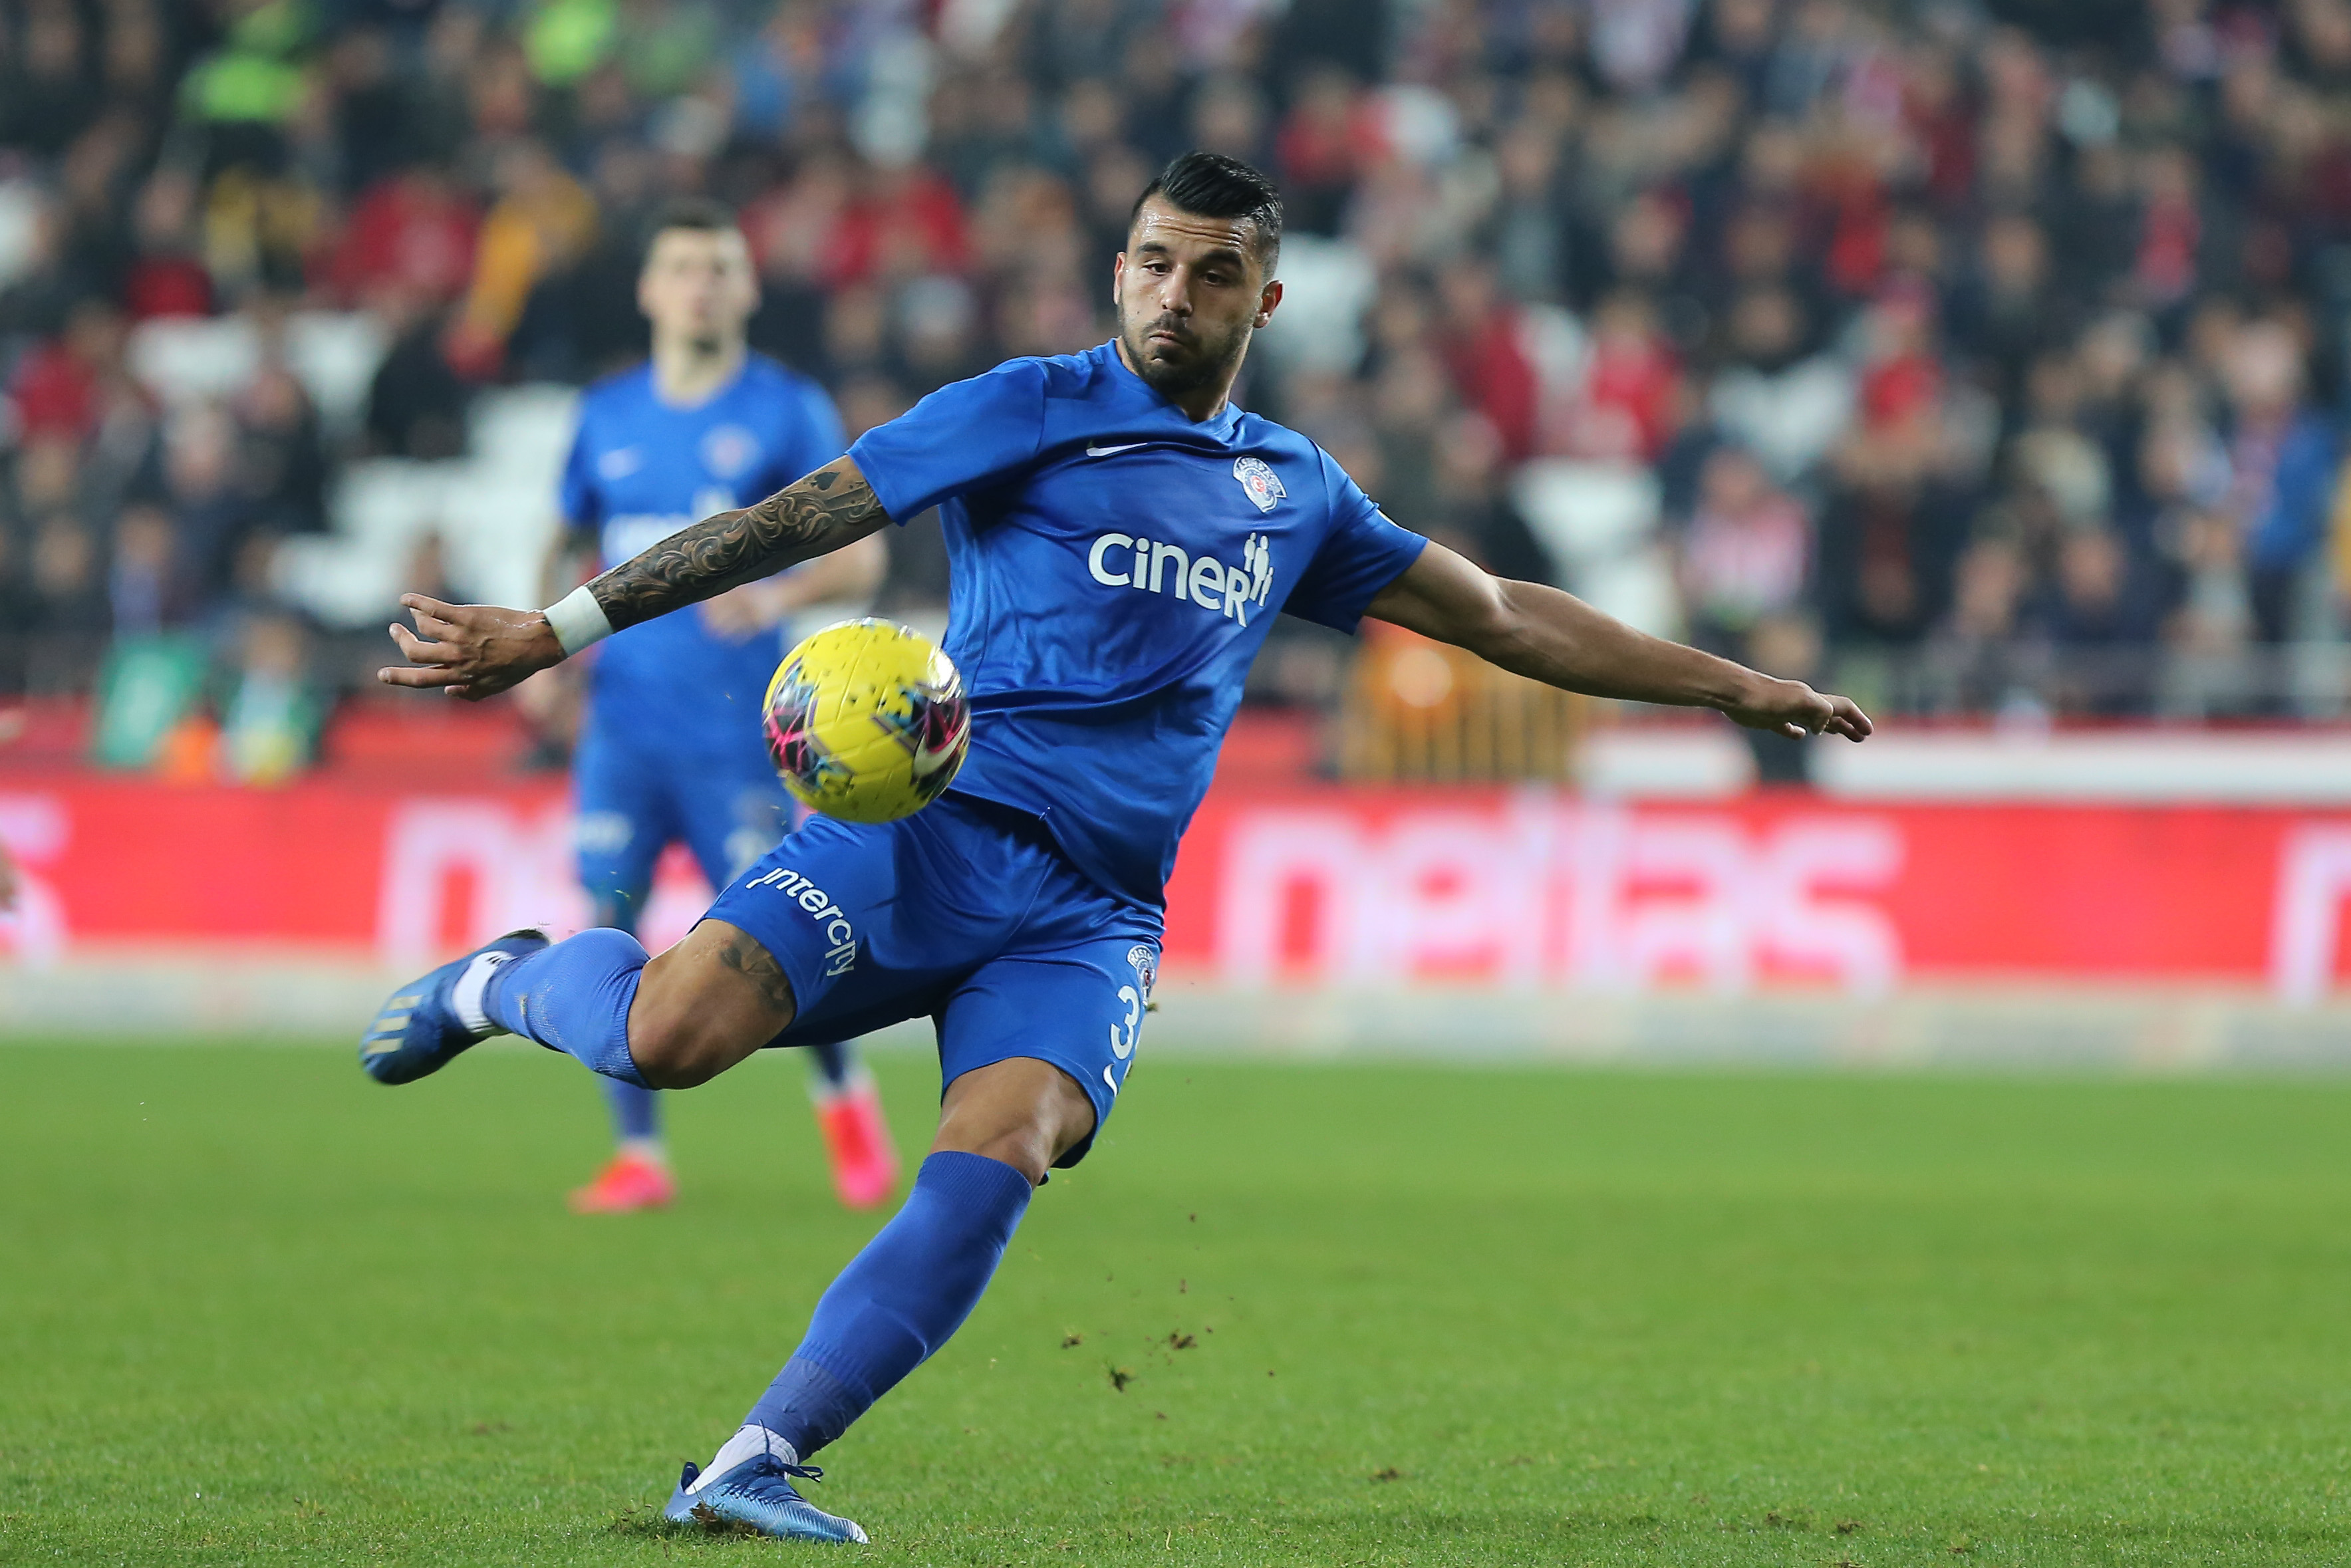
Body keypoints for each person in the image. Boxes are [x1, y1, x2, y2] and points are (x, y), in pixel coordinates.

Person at [362, 153, 1871, 1542]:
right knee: (667, 1038)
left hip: (1089, 914)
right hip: (926, 834)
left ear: (1263, 300)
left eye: (1213, 273)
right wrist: (555, 630)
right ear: (1119, 270)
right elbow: (800, 517)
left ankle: (757, 1458)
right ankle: (501, 982)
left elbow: (1502, 616)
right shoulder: (1026, 405)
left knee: (1002, 1151)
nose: (1174, 294)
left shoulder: (1293, 492)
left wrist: (1739, 688)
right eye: (1154, 263)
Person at [529, 196, 899, 1214]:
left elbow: (862, 555)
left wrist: (775, 595)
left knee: (776, 939)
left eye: (721, 267)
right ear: (650, 289)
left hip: (737, 732)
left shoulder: (786, 410)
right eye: (685, 267)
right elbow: (563, 543)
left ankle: (845, 1103)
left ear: (749, 287)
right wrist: (548, 652)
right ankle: (639, 1155)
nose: (703, 285)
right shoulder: (605, 415)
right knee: (607, 920)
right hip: (622, 727)